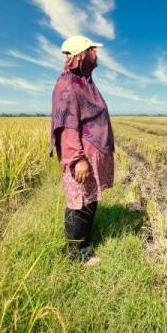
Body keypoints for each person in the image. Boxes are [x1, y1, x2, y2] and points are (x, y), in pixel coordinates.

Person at [50, 35, 115, 267]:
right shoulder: (68, 85)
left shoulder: (84, 82)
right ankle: (77, 253)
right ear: (81, 55)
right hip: (82, 155)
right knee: (79, 202)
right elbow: (67, 125)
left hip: (92, 151)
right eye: (92, 50)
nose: (96, 54)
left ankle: (85, 239)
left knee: (89, 199)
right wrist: (77, 159)